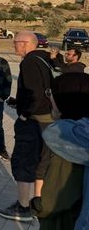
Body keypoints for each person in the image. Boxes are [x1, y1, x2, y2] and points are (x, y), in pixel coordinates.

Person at [0, 31, 55, 222]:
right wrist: (18, 101)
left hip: (33, 122)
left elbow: (35, 95)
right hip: (49, 121)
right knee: (41, 163)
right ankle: (37, 204)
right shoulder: (45, 58)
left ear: (24, 43)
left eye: (15, 43)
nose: (14, 47)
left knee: (23, 161)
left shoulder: (29, 61)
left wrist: (24, 115)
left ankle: (23, 208)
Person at [32, 72, 88, 229]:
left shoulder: (67, 142)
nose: (49, 98)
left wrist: (37, 205)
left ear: (67, 101)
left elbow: (53, 202)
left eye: (52, 93)